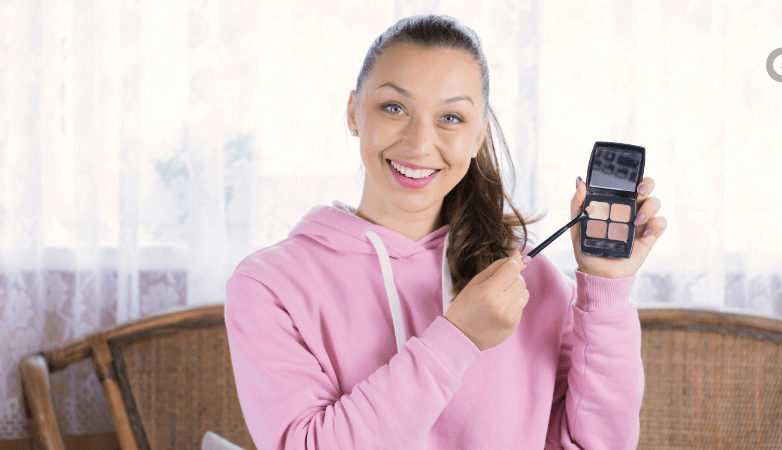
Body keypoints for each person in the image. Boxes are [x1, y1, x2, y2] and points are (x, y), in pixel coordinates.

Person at [225, 14, 666, 450]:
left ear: (479, 137)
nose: (418, 144)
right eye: (394, 108)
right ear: (353, 113)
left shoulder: (522, 280)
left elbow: (599, 444)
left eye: (451, 118)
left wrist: (605, 290)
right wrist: (456, 339)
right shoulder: (268, 285)